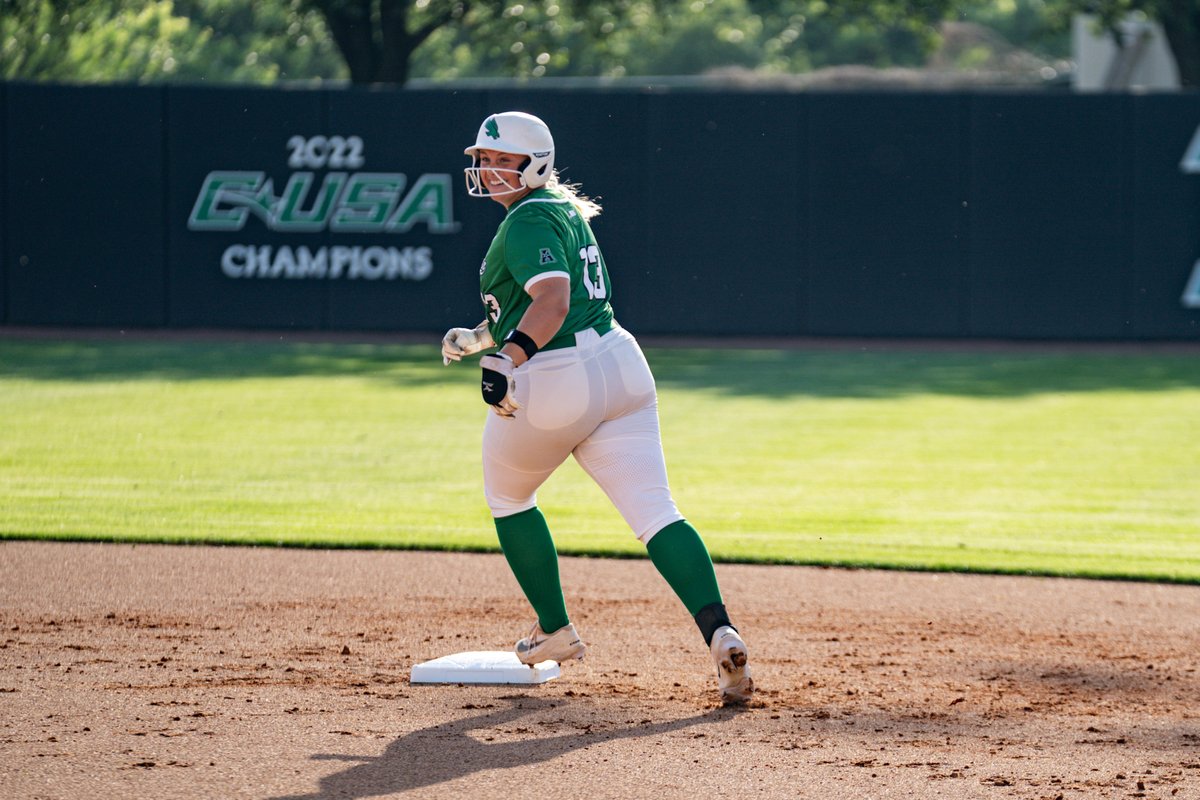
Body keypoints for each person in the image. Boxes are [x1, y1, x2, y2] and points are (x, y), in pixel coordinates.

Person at [441, 111, 753, 705]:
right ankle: (721, 633)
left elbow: (552, 302)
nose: (486, 169)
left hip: (558, 376)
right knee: (657, 514)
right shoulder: (558, 207)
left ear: (533, 164)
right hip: (620, 365)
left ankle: (554, 628)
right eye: (482, 159)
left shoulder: (528, 218)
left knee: (509, 498)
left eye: (500, 159)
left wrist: (506, 358)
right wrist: (485, 335)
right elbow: (552, 300)